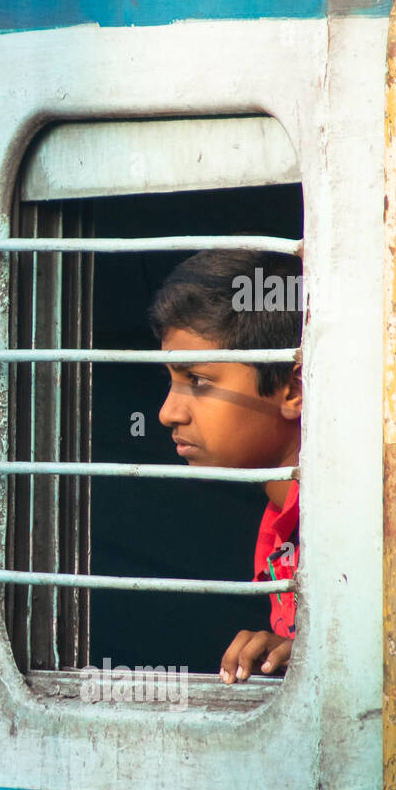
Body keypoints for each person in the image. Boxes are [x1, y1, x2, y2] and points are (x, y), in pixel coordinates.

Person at [147, 249, 303, 683]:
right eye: (172, 381)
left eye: (197, 381)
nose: (167, 413)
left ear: (293, 389)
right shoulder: (280, 527)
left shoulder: (361, 527)